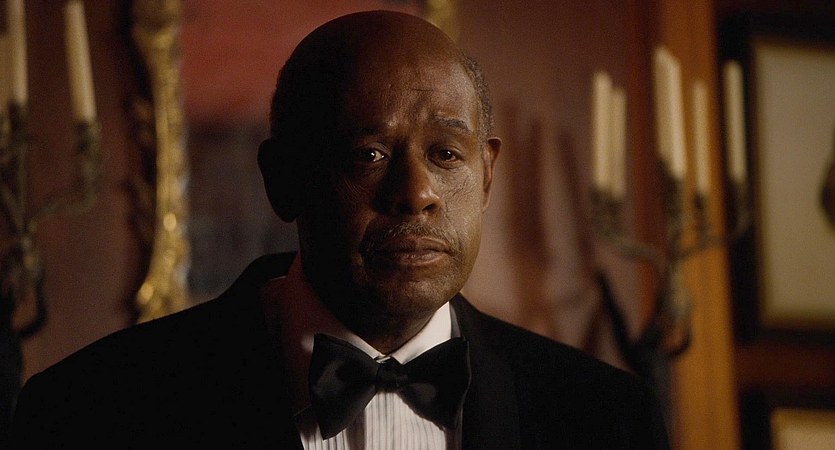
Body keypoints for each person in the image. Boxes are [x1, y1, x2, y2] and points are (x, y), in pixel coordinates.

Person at [11, 11, 668, 449]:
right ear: (282, 179)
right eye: (368, 154)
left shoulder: (605, 418)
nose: (416, 194)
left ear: (486, 175)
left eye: (446, 153)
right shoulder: (91, 410)